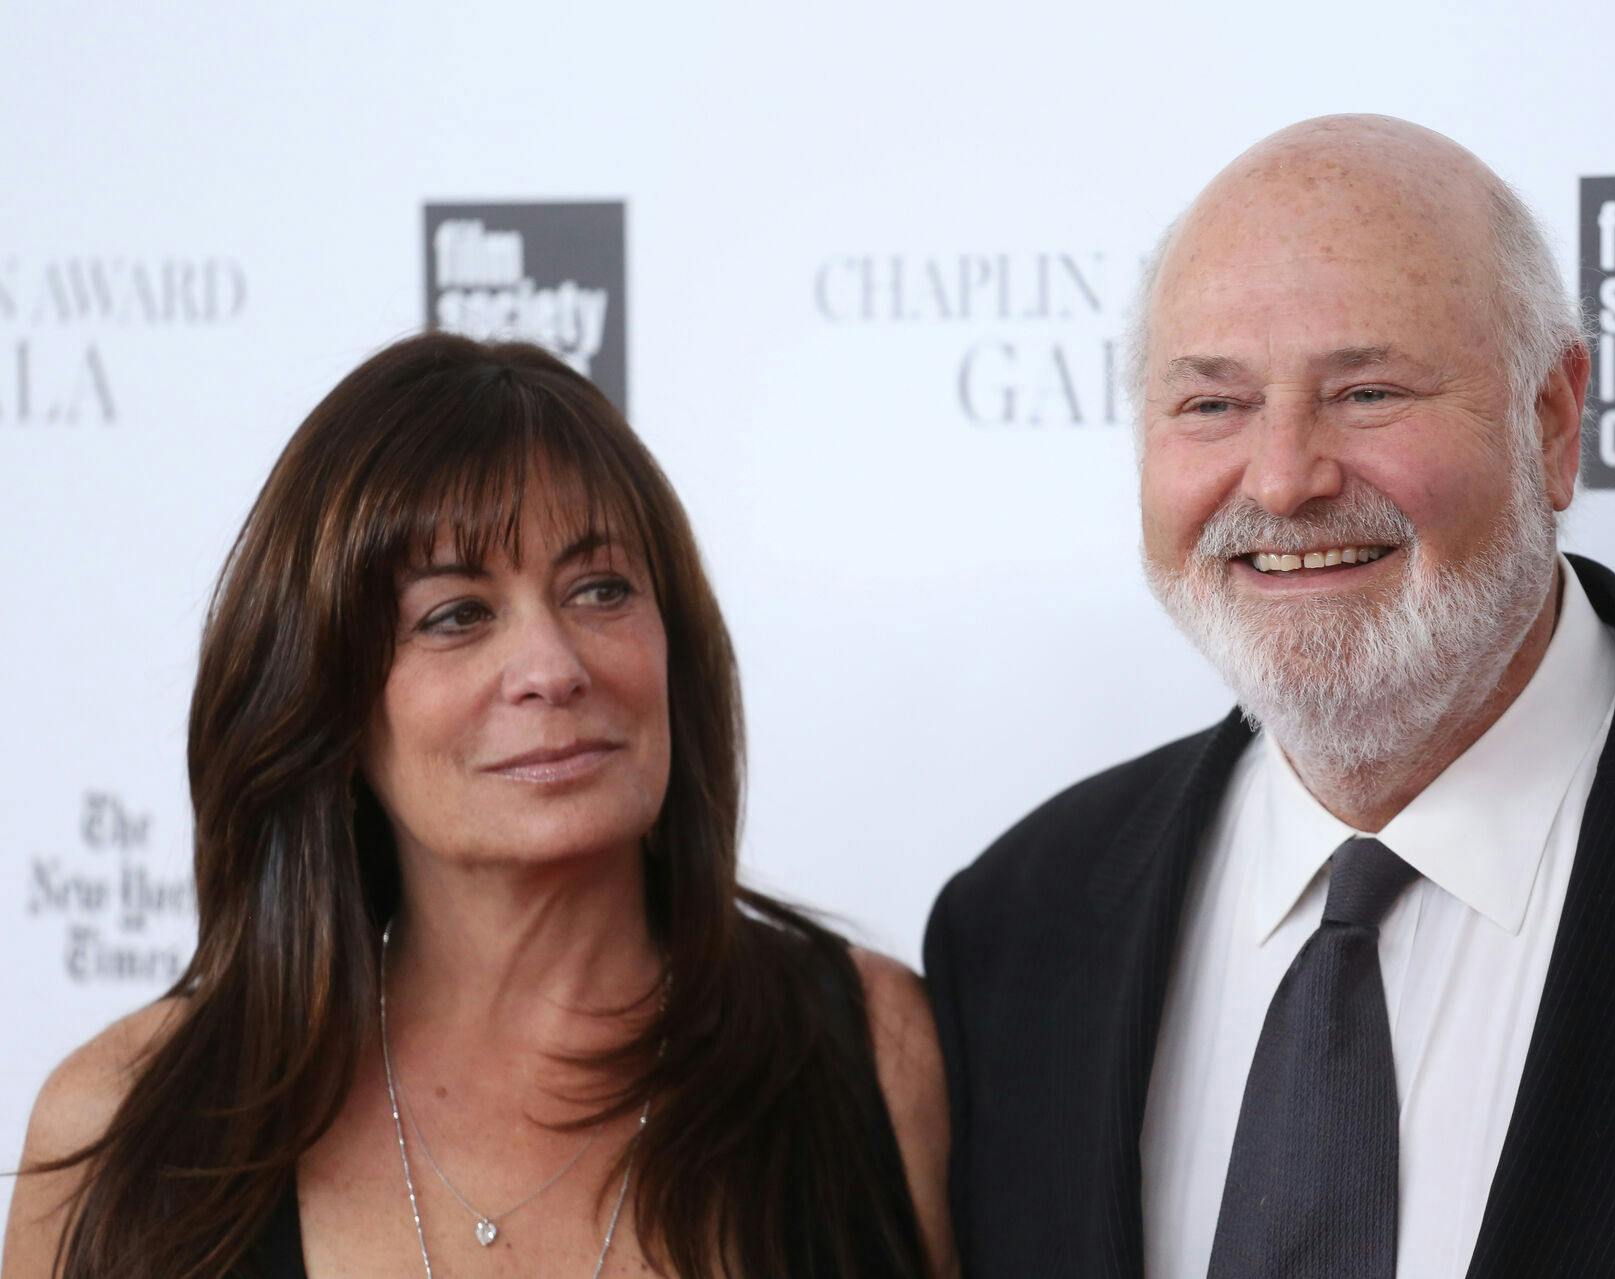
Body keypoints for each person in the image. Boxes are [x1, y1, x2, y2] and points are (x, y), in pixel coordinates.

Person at [924, 115, 1615, 1279]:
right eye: (1212, 406)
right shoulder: (1016, 927)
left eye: (1369, 391)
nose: (1286, 477)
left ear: (1549, 419)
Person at [4, 333, 957, 1279]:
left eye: (601, 588)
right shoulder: (121, 1132)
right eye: (456, 614)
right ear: (328, 704)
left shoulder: (872, 1054)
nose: (553, 667)